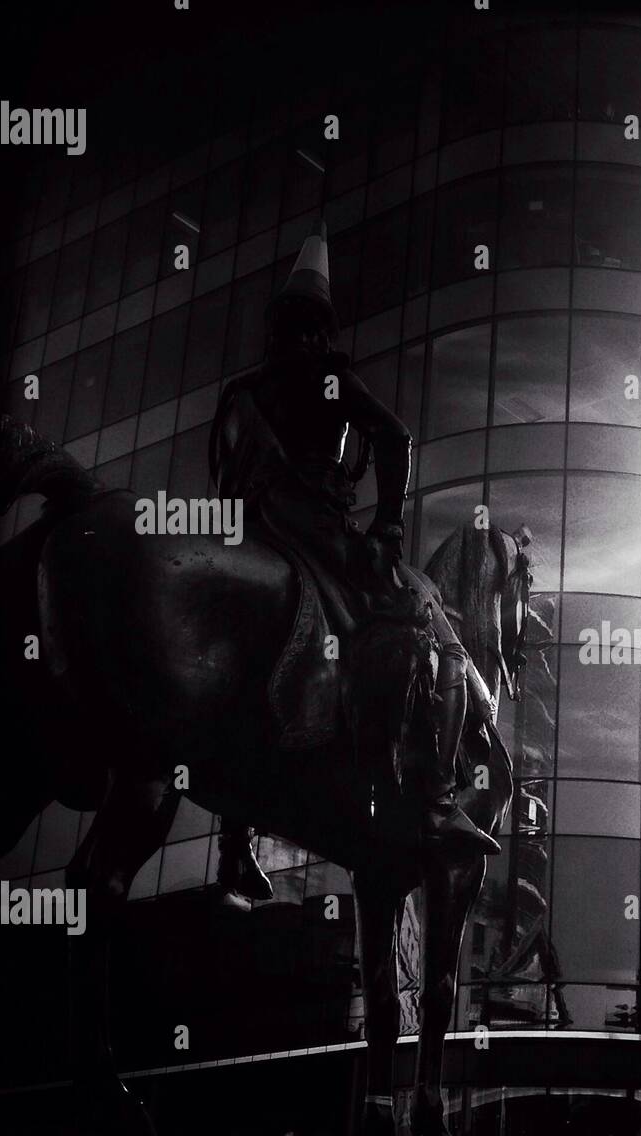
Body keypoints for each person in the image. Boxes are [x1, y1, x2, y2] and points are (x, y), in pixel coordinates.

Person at [208, 222, 498, 901]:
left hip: (246, 527)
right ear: (320, 327)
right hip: (315, 528)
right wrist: (390, 526)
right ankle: (428, 799)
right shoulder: (330, 376)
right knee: (428, 625)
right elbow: (394, 437)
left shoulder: (243, 391)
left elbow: (223, 471)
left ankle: (233, 842)